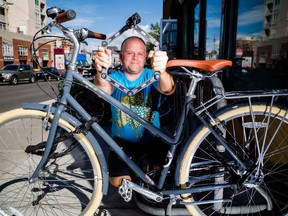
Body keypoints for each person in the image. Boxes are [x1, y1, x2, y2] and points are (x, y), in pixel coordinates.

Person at [94, 36, 175, 187]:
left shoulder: (151, 75)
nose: (135, 57)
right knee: (119, 183)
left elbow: (167, 88)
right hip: (122, 144)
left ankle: (144, 170)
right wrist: (100, 71)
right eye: (130, 52)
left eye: (140, 53)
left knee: (160, 179)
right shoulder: (115, 77)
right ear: (121, 55)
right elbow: (102, 90)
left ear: (146, 56)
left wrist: (162, 71)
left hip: (152, 141)